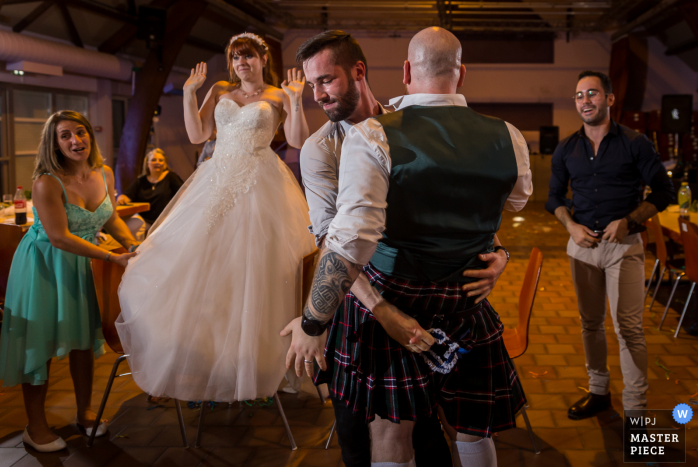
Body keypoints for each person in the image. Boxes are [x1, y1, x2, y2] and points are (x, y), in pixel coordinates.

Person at [284, 27, 532, 467]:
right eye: (311, 85)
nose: (318, 94)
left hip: (429, 293)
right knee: (369, 433)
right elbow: (331, 240)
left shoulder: (387, 126)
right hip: (376, 301)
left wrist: (500, 256)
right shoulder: (320, 149)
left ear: (367, 72)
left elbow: (350, 245)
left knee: (427, 429)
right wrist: (380, 311)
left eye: (326, 80)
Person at [115, 32, 315, 403]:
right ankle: (205, 362)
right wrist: (190, 93)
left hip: (261, 184)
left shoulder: (277, 94)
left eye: (249, 56)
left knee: (253, 272)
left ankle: (253, 362)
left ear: (262, 59)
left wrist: (297, 100)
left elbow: (298, 140)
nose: (242, 63)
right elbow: (198, 134)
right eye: (236, 57)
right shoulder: (221, 88)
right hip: (215, 177)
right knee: (200, 265)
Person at [0, 111, 138, 452]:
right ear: (54, 143)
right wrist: (110, 256)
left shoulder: (103, 172)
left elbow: (112, 218)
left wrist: (135, 245)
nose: (76, 140)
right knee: (40, 344)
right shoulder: (47, 182)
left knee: (82, 340)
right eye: (65, 136)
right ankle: (36, 426)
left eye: (81, 132)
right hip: (45, 265)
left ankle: (85, 410)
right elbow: (59, 237)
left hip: (85, 266)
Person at [545, 71, 674, 428]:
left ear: (610, 99)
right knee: (590, 324)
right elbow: (554, 198)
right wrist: (570, 225)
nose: (585, 101)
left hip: (624, 247)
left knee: (628, 328)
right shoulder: (567, 148)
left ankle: (636, 412)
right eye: (579, 96)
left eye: (593, 93)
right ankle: (599, 391)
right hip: (582, 248)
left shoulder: (636, 143)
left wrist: (629, 221)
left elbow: (665, 193)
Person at [116, 148, 184, 241]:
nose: (157, 162)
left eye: (161, 160)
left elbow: (183, 193)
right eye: (153, 160)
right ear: (147, 164)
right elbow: (126, 195)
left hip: (166, 217)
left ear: (164, 164)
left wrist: (170, 215)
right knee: (127, 227)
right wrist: (122, 198)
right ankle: (137, 252)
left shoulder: (171, 177)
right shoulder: (141, 180)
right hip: (145, 218)